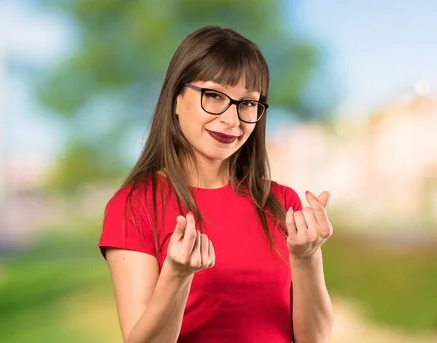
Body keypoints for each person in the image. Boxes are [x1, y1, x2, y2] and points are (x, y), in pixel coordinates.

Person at [98, 25, 334, 343]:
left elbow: (314, 339)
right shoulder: (136, 205)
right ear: (176, 99)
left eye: (247, 103)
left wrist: (307, 257)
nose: (232, 120)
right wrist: (177, 275)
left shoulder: (280, 202)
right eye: (213, 95)